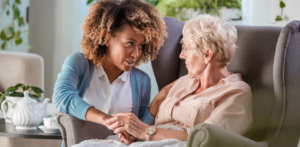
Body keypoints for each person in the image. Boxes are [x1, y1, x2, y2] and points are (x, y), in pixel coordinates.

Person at [105, 14, 253, 143]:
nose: (181, 55)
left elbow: (206, 138)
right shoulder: (183, 81)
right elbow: (147, 127)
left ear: (207, 55)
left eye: (186, 49)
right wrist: (132, 132)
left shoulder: (237, 92)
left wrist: (145, 131)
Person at [52, 0, 167, 146]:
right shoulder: (79, 63)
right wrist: (109, 120)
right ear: (107, 38)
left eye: (141, 46)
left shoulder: (142, 81)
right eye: (129, 43)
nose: (136, 54)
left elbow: (139, 133)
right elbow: (61, 97)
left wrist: (157, 102)